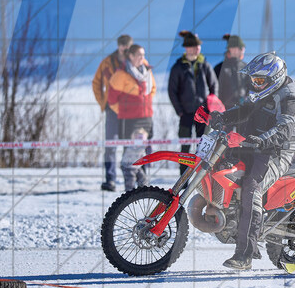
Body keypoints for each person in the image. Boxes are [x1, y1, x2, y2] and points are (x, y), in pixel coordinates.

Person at [208, 52, 295, 270]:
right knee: (222, 168)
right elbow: (246, 109)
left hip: (275, 152)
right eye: (253, 80)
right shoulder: (263, 90)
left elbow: (283, 130)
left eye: (260, 80)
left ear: (276, 78)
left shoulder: (292, 96)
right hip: (251, 143)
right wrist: (222, 117)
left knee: (251, 188)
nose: (255, 84)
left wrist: (256, 141)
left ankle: (245, 254)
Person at [107, 44, 156, 191]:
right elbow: (112, 100)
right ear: (131, 56)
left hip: (146, 119)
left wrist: (144, 104)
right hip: (129, 121)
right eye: (139, 55)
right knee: (131, 158)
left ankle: (139, 188)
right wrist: (124, 110)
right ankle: (137, 189)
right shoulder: (120, 75)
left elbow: (152, 90)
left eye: (143, 55)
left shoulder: (147, 71)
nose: (142, 58)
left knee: (135, 157)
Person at [168, 31, 218, 173]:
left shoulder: (205, 65)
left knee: (203, 147)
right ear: (186, 48)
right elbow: (172, 91)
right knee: (185, 146)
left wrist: (211, 107)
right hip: (186, 113)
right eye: (193, 46)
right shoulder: (178, 67)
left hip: (203, 113)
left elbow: (214, 86)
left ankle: (199, 177)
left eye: (198, 46)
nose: (196, 48)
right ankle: (183, 177)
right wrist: (180, 110)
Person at [92, 34, 133, 191]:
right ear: (118, 46)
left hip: (131, 111)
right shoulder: (107, 62)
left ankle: (130, 180)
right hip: (112, 110)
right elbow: (96, 82)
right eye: (122, 46)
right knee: (110, 145)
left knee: (129, 146)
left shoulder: (136, 60)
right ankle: (110, 179)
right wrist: (103, 102)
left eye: (127, 46)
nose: (124, 48)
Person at [214, 34, 248, 109]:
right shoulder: (219, 68)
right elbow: (215, 91)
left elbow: (251, 89)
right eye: (240, 48)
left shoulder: (246, 67)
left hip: (243, 111)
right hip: (225, 111)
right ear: (231, 49)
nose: (243, 51)